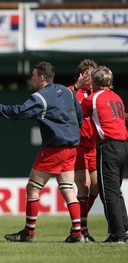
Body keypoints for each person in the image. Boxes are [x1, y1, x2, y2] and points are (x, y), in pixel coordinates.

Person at [0, 61, 84, 243]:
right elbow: (79, 116)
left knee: (33, 188)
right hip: (71, 147)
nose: (31, 78)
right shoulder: (68, 92)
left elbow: (18, 112)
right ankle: (78, 233)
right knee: (68, 189)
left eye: (33, 75)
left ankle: (29, 233)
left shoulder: (41, 97)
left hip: (54, 148)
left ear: (41, 77)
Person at [80, 66, 128, 243]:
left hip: (108, 147)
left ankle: (117, 234)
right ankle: (124, 227)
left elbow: (79, 113)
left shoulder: (93, 98)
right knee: (116, 191)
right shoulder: (117, 97)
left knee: (108, 193)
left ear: (94, 81)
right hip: (123, 146)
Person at [69, 59, 99, 243]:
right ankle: (82, 230)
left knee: (96, 186)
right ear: (81, 75)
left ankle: (78, 226)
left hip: (92, 146)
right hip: (77, 145)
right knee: (85, 185)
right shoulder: (72, 92)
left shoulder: (98, 94)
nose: (92, 78)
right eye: (89, 75)